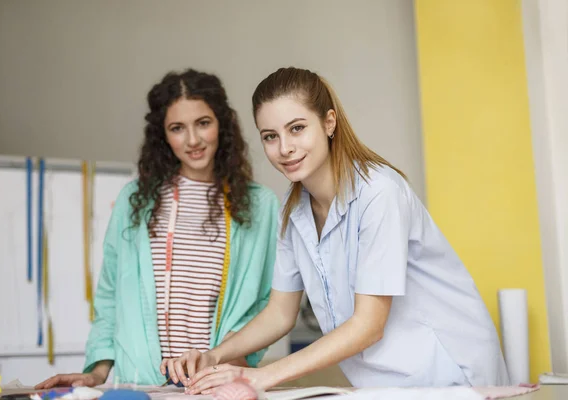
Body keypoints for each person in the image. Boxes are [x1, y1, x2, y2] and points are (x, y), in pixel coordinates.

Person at [163, 67, 510, 395]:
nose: (284, 148)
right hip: (383, 384)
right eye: (271, 136)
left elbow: (368, 324)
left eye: (297, 128)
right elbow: (280, 313)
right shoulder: (293, 208)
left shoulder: (379, 193)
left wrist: (262, 376)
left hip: (449, 373)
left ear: (329, 122)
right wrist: (214, 356)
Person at [36, 69, 279, 388]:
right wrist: (97, 372)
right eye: (177, 128)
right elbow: (110, 295)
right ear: (163, 135)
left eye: (203, 123)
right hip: (142, 386)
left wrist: (236, 356)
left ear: (222, 124)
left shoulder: (260, 206)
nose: (193, 140)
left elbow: (268, 301)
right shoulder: (135, 201)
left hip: (217, 385)